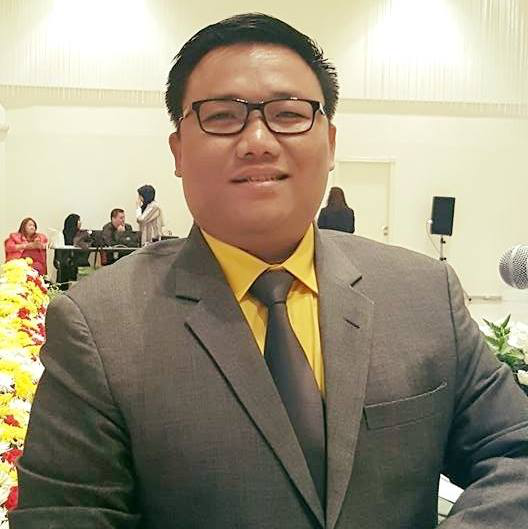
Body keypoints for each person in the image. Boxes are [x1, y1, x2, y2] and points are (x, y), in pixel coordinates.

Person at [12, 13, 528, 529]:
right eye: (221, 116)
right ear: (178, 150)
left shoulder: (423, 294)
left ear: (330, 143)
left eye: (288, 114)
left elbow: (516, 450)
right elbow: (66, 516)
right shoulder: (100, 326)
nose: (257, 140)